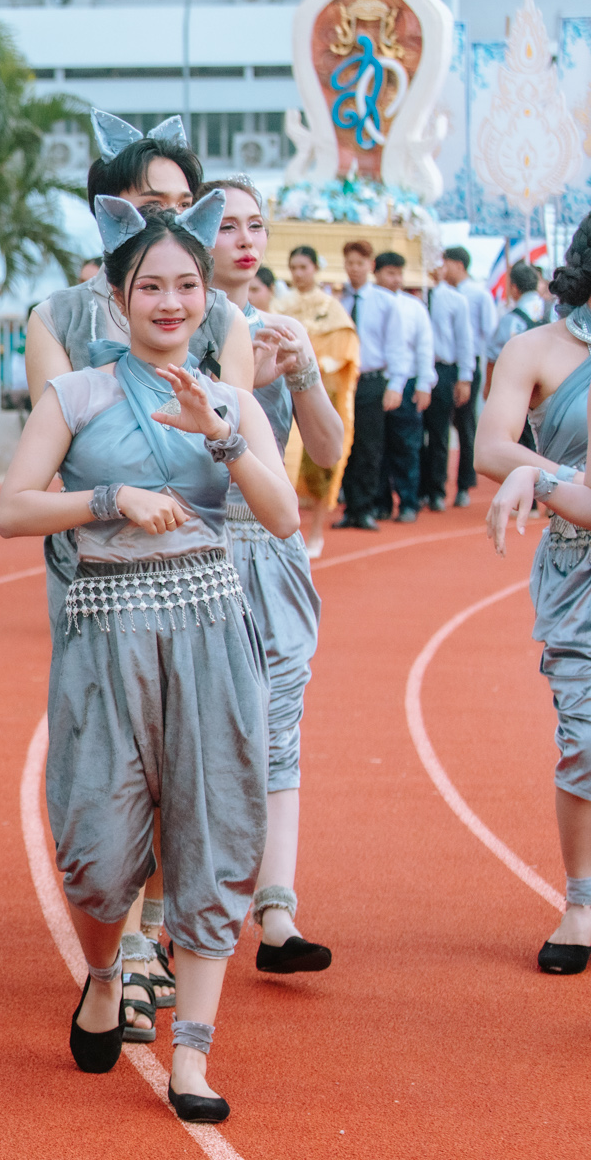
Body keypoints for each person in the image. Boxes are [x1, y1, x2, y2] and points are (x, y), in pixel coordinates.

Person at [0, 193, 295, 1123]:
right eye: (152, 287)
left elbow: (283, 517)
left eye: (188, 286)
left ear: (208, 296)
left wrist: (223, 433)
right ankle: (103, 974)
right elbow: (12, 509)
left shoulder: (228, 399)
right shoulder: (75, 395)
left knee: (215, 827)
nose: (172, 303)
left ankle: (192, 1056)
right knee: (95, 847)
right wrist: (109, 499)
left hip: (212, 634)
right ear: (119, 296)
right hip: (104, 637)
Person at [23, 110, 253, 1032]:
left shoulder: (218, 312)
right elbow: (46, 466)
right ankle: (110, 948)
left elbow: (242, 456)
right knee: (107, 770)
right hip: (92, 564)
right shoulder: (60, 318)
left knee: (195, 770)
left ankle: (158, 935)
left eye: (183, 200)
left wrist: (222, 432)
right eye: (151, 200)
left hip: (200, 570)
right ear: (111, 208)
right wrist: (110, 501)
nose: (170, 213)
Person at [206, 179, 343, 975]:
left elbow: (325, 451)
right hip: (200, 549)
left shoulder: (283, 330)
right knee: (206, 730)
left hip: (275, 549)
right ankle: (184, 907)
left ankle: (277, 913)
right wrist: (245, 381)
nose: (245, 240)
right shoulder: (175, 331)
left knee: (281, 725)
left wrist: (303, 374)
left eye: (255, 225)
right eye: (227, 225)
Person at [479, 212, 591, 977]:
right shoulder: (536, 347)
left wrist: (539, 478)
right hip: (578, 569)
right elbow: (492, 446)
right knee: (584, 738)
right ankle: (581, 901)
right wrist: (551, 478)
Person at [272, 246, 359, 557]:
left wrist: (311, 367)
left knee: (319, 466)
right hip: (279, 392)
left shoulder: (331, 307)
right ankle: (284, 533)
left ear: (315, 269)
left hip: (317, 390)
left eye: (304, 267)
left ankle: (316, 532)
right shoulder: (279, 305)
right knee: (280, 463)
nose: (298, 274)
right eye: (293, 267)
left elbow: (345, 350)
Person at [336, 245, 417, 530]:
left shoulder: (385, 302)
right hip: (344, 381)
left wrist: (396, 384)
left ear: (369, 265)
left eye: (359, 263)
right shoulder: (338, 302)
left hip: (372, 381)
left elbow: (396, 346)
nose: (354, 268)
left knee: (370, 447)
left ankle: (366, 507)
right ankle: (350, 507)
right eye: (350, 263)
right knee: (345, 445)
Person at [420, 266, 476, 512]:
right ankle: (418, 490)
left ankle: (437, 490)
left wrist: (465, 378)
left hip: (443, 369)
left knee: (439, 433)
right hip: (413, 370)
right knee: (413, 434)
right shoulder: (410, 297)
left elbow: (465, 340)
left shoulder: (455, 299)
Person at [381, 267, 434, 522]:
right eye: (389, 273)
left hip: (409, 382)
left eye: (398, 273)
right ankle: (379, 503)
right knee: (375, 446)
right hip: (376, 380)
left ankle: (408, 502)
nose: (396, 279)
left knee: (406, 445)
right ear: (377, 273)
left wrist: (425, 384)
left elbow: (425, 347)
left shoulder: (414, 307)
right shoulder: (368, 303)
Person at [442, 246, 493, 505]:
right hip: (444, 364)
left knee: (465, 424)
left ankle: (464, 484)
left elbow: (490, 333)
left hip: (469, 364)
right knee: (440, 425)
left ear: (459, 265)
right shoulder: (440, 293)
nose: (442, 268)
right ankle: (436, 485)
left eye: (446, 263)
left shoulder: (478, 294)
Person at [489, 260, 549, 377]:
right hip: (548, 378)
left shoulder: (510, 319)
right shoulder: (552, 310)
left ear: (514, 287)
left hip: (519, 378)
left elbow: (493, 356)